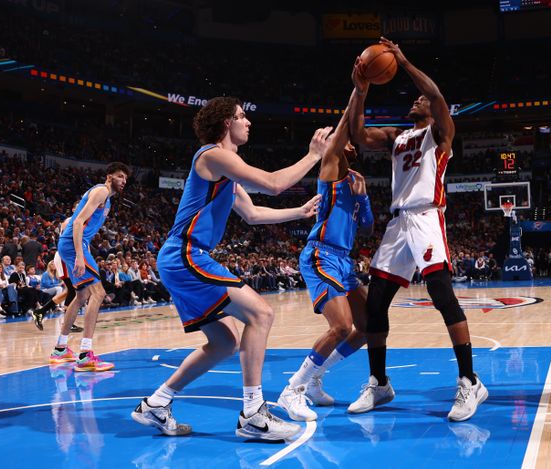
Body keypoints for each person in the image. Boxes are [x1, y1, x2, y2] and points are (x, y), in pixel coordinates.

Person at [131, 96, 331, 440]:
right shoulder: (212, 154)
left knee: (225, 342)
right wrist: (314, 154)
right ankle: (254, 414)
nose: (248, 122)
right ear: (226, 123)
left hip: (181, 259)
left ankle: (156, 404)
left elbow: (252, 214)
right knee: (261, 314)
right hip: (186, 255)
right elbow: (273, 182)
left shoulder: (225, 169)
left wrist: (297, 212)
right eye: (242, 116)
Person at [347, 37, 488, 422]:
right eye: (416, 99)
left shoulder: (440, 135)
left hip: (427, 217)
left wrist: (404, 63)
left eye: (419, 100)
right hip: (398, 222)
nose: (416, 100)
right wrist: (361, 90)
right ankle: (379, 382)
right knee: (376, 304)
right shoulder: (397, 136)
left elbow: (436, 94)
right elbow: (358, 135)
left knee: (443, 295)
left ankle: (469, 381)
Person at [277, 61, 373, 422]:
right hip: (320, 256)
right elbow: (349, 124)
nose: (339, 141)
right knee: (340, 327)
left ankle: (315, 378)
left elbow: (366, 226)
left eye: (342, 142)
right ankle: (293, 389)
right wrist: (360, 89)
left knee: (366, 328)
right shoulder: (331, 171)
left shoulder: (355, 183)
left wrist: (363, 198)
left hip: (345, 261)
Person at [49, 162, 130, 371]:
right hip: (73, 245)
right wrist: (78, 255)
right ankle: (85, 355)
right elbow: (77, 223)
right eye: (120, 176)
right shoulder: (101, 191)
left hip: (74, 245)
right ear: (109, 176)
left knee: (82, 295)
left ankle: (60, 348)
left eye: (126, 178)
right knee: (99, 293)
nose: (124, 181)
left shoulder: (107, 200)